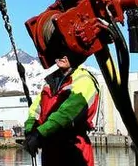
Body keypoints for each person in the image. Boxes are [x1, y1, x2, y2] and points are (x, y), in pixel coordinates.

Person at [20, 35, 100, 166]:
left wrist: (39, 134)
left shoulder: (84, 80)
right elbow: (35, 110)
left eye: (67, 52)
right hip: (51, 151)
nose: (62, 56)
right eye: (58, 51)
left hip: (74, 151)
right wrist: (30, 130)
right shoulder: (49, 83)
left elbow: (67, 114)